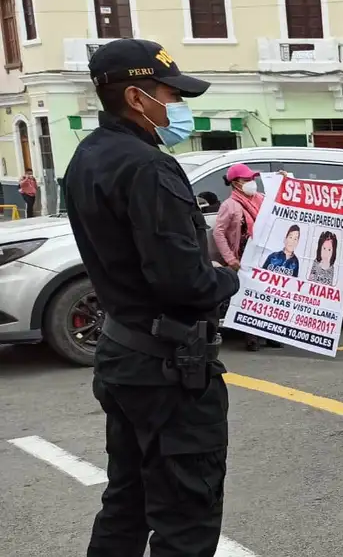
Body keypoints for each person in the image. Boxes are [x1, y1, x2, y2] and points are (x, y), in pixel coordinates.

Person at [63, 38, 239, 557]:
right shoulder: (148, 167)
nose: (180, 106)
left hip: (124, 355)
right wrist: (233, 281)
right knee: (186, 518)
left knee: (128, 502)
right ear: (138, 98)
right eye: (172, 93)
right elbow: (183, 282)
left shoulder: (88, 157)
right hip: (168, 367)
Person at [213, 163, 267, 351]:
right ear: (236, 183)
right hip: (242, 257)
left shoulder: (260, 199)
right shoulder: (230, 206)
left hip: (262, 256)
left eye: (253, 179)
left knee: (265, 294)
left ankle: (268, 334)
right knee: (247, 297)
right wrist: (230, 259)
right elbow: (218, 233)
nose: (252, 183)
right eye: (247, 180)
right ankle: (251, 336)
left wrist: (285, 180)